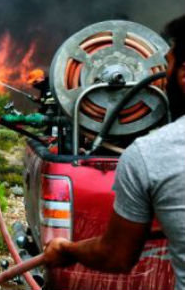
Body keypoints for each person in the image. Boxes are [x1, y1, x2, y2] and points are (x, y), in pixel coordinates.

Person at [44, 15, 185, 290]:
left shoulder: (150, 155)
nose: (160, 77)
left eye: (166, 66)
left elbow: (116, 256)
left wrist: (67, 250)